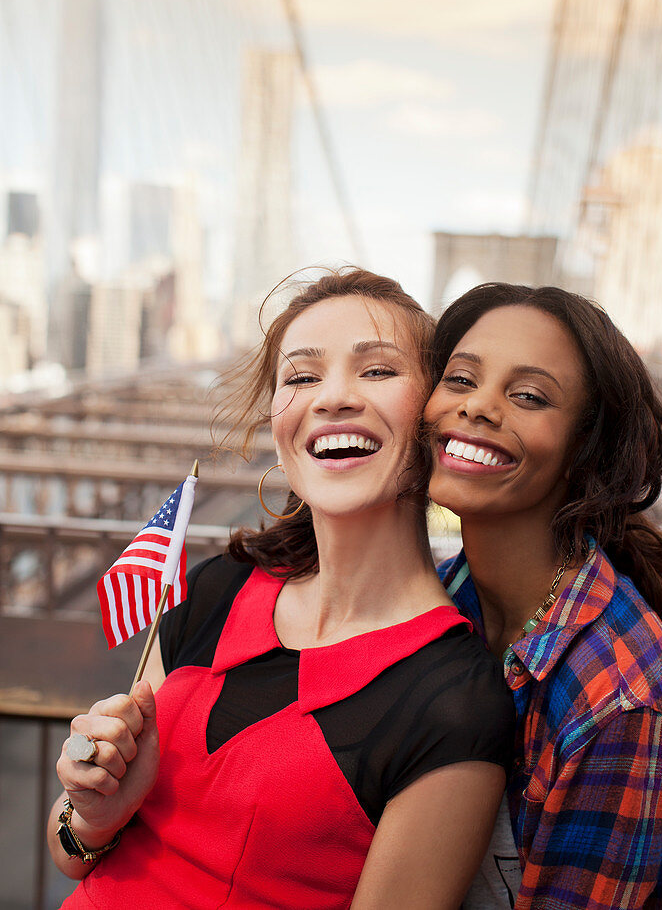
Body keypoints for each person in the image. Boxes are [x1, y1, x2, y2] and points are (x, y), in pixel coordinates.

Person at [47, 268, 515, 910]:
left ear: (437, 412)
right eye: (301, 377)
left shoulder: (454, 698)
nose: (331, 398)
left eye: (377, 371)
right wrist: (94, 814)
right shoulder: (216, 587)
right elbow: (70, 855)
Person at [425, 282, 662, 910]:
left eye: (529, 396)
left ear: (583, 452)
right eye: (459, 380)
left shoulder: (619, 701)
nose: (479, 407)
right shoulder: (444, 593)